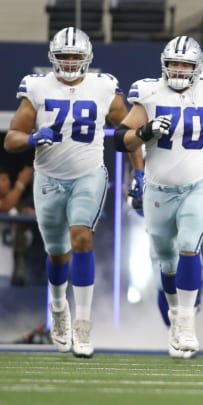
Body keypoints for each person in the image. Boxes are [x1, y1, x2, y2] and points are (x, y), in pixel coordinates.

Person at [115, 35, 203, 359]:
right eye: (173, 63)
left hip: (200, 183)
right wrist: (145, 132)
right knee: (167, 259)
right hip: (159, 187)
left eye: (185, 65)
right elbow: (121, 139)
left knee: (189, 245)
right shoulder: (147, 91)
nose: (178, 70)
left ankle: (187, 322)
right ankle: (177, 315)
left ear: (197, 68)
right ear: (164, 65)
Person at [4, 27, 130, 358]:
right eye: (64, 57)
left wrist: (141, 171)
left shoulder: (104, 87)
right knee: (57, 254)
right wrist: (32, 139)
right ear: (53, 59)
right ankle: (58, 307)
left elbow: (131, 130)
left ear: (87, 58)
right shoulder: (38, 87)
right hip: (48, 178)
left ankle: (83, 323)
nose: (71, 62)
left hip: (88, 175)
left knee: (82, 239)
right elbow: (11, 137)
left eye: (76, 56)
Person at [0, 166, 33, 286]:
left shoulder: (13, 209)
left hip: (6, 271)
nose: (8, 182)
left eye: (8, 179)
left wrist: (25, 215)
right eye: (3, 180)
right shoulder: (7, 205)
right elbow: (5, 206)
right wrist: (20, 183)